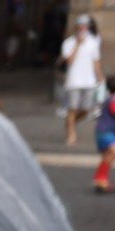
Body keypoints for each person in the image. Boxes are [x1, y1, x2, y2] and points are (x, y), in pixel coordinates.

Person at [61, 14, 103, 146]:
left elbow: (96, 61)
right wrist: (77, 45)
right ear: (76, 27)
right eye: (80, 25)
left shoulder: (93, 42)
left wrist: (100, 77)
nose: (83, 28)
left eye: (85, 25)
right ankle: (71, 134)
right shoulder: (68, 43)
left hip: (89, 81)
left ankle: (70, 123)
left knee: (86, 109)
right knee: (72, 108)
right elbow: (69, 61)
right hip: (73, 81)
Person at [95, 76, 115, 191]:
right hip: (106, 133)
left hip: (103, 132)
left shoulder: (109, 98)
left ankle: (101, 180)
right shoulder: (113, 99)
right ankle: (100, 179)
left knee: (108, 156)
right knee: (111, 153)